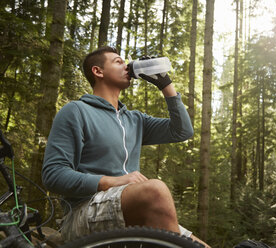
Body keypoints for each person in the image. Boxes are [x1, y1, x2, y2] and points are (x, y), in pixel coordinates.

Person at [42, 46, 209, 247]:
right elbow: (53, 174)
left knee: (200, 245)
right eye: (118, 61)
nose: (127, 66)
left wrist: (166, 84)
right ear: (98, 71)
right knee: (154, 191)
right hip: (82, 213)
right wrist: (114, 181)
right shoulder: (76, 111)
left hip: (128, 209)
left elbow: (182, 131)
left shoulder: (135, 120)